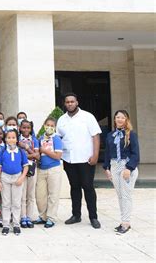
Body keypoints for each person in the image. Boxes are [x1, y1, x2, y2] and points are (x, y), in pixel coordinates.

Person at [57, 92, 102, 229]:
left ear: (77, 102)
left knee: (88, 187)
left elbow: (96, 136)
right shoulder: (61, 120)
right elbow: (57, 139)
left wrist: (95, 155)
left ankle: (93, 217)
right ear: (65, 104)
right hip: (68, 159)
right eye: (67, 102)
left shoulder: (88, 117)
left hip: (85, 159)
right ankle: (76, 215)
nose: (70, 104)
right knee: (74, 187)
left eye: (72, 101)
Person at [103, 110, 140, 235]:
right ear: (114, 119)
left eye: (122, 117)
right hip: (114, 167)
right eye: (117, 117)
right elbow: (107, 153)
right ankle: (124, 220)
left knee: (126, 195)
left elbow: (136, 154)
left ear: (126, 120)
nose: (119, 119)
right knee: (120, 196)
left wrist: (129, 168)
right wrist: (106, 168)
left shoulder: (131, 135)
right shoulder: (110, 135)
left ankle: (126, 222)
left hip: (126, 166)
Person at [0, 129, 29, 236]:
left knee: (16, 203)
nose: (11, 139)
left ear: (17, 139)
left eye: (13, 137)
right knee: (6, 203)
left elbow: (26, 166)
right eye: (9, 137)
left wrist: (22, 178)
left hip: (17, 178)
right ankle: (6, 225)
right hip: (5, 178)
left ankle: (16, 224)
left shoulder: (21, 152)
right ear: (5, 139)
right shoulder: (2, 151)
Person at [35, 117, 63, 228]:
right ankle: (42, 216)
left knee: (53, 195)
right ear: (44, 125)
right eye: (48, 125)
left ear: (55, 127)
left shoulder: (56, 139)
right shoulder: (40, 138)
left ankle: (51, 218)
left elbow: (58, 156)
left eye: (52, 126)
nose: (49, 127)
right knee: (40, 195)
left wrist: (45, 150)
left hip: (54, 170)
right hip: (41, 169)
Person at [18, 119, 39, 228]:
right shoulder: (17, 140)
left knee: (30, 195)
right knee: (22, 194)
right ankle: (23, 216)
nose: (26, 130)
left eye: (28, 128)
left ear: (31, 129)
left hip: (31, 169)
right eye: (24, 127)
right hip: (21, 169)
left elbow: (37, 155)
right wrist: (31, 155)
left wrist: (26, 148)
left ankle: (29, 217)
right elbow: (17, 155)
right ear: (20, 128)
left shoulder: (34, 140)